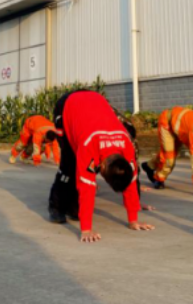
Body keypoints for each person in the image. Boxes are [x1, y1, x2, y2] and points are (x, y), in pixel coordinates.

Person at [47, 90, 154, 242]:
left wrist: (133, 220)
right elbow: (87, 187)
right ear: (102, 168)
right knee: (68, 167)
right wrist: (86, 229)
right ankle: (56, 207)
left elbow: (130, 183)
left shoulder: (127, 145)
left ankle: (73, 207)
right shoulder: (89, 145)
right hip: (68, 104)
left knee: (77, 210)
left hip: (94, 101)